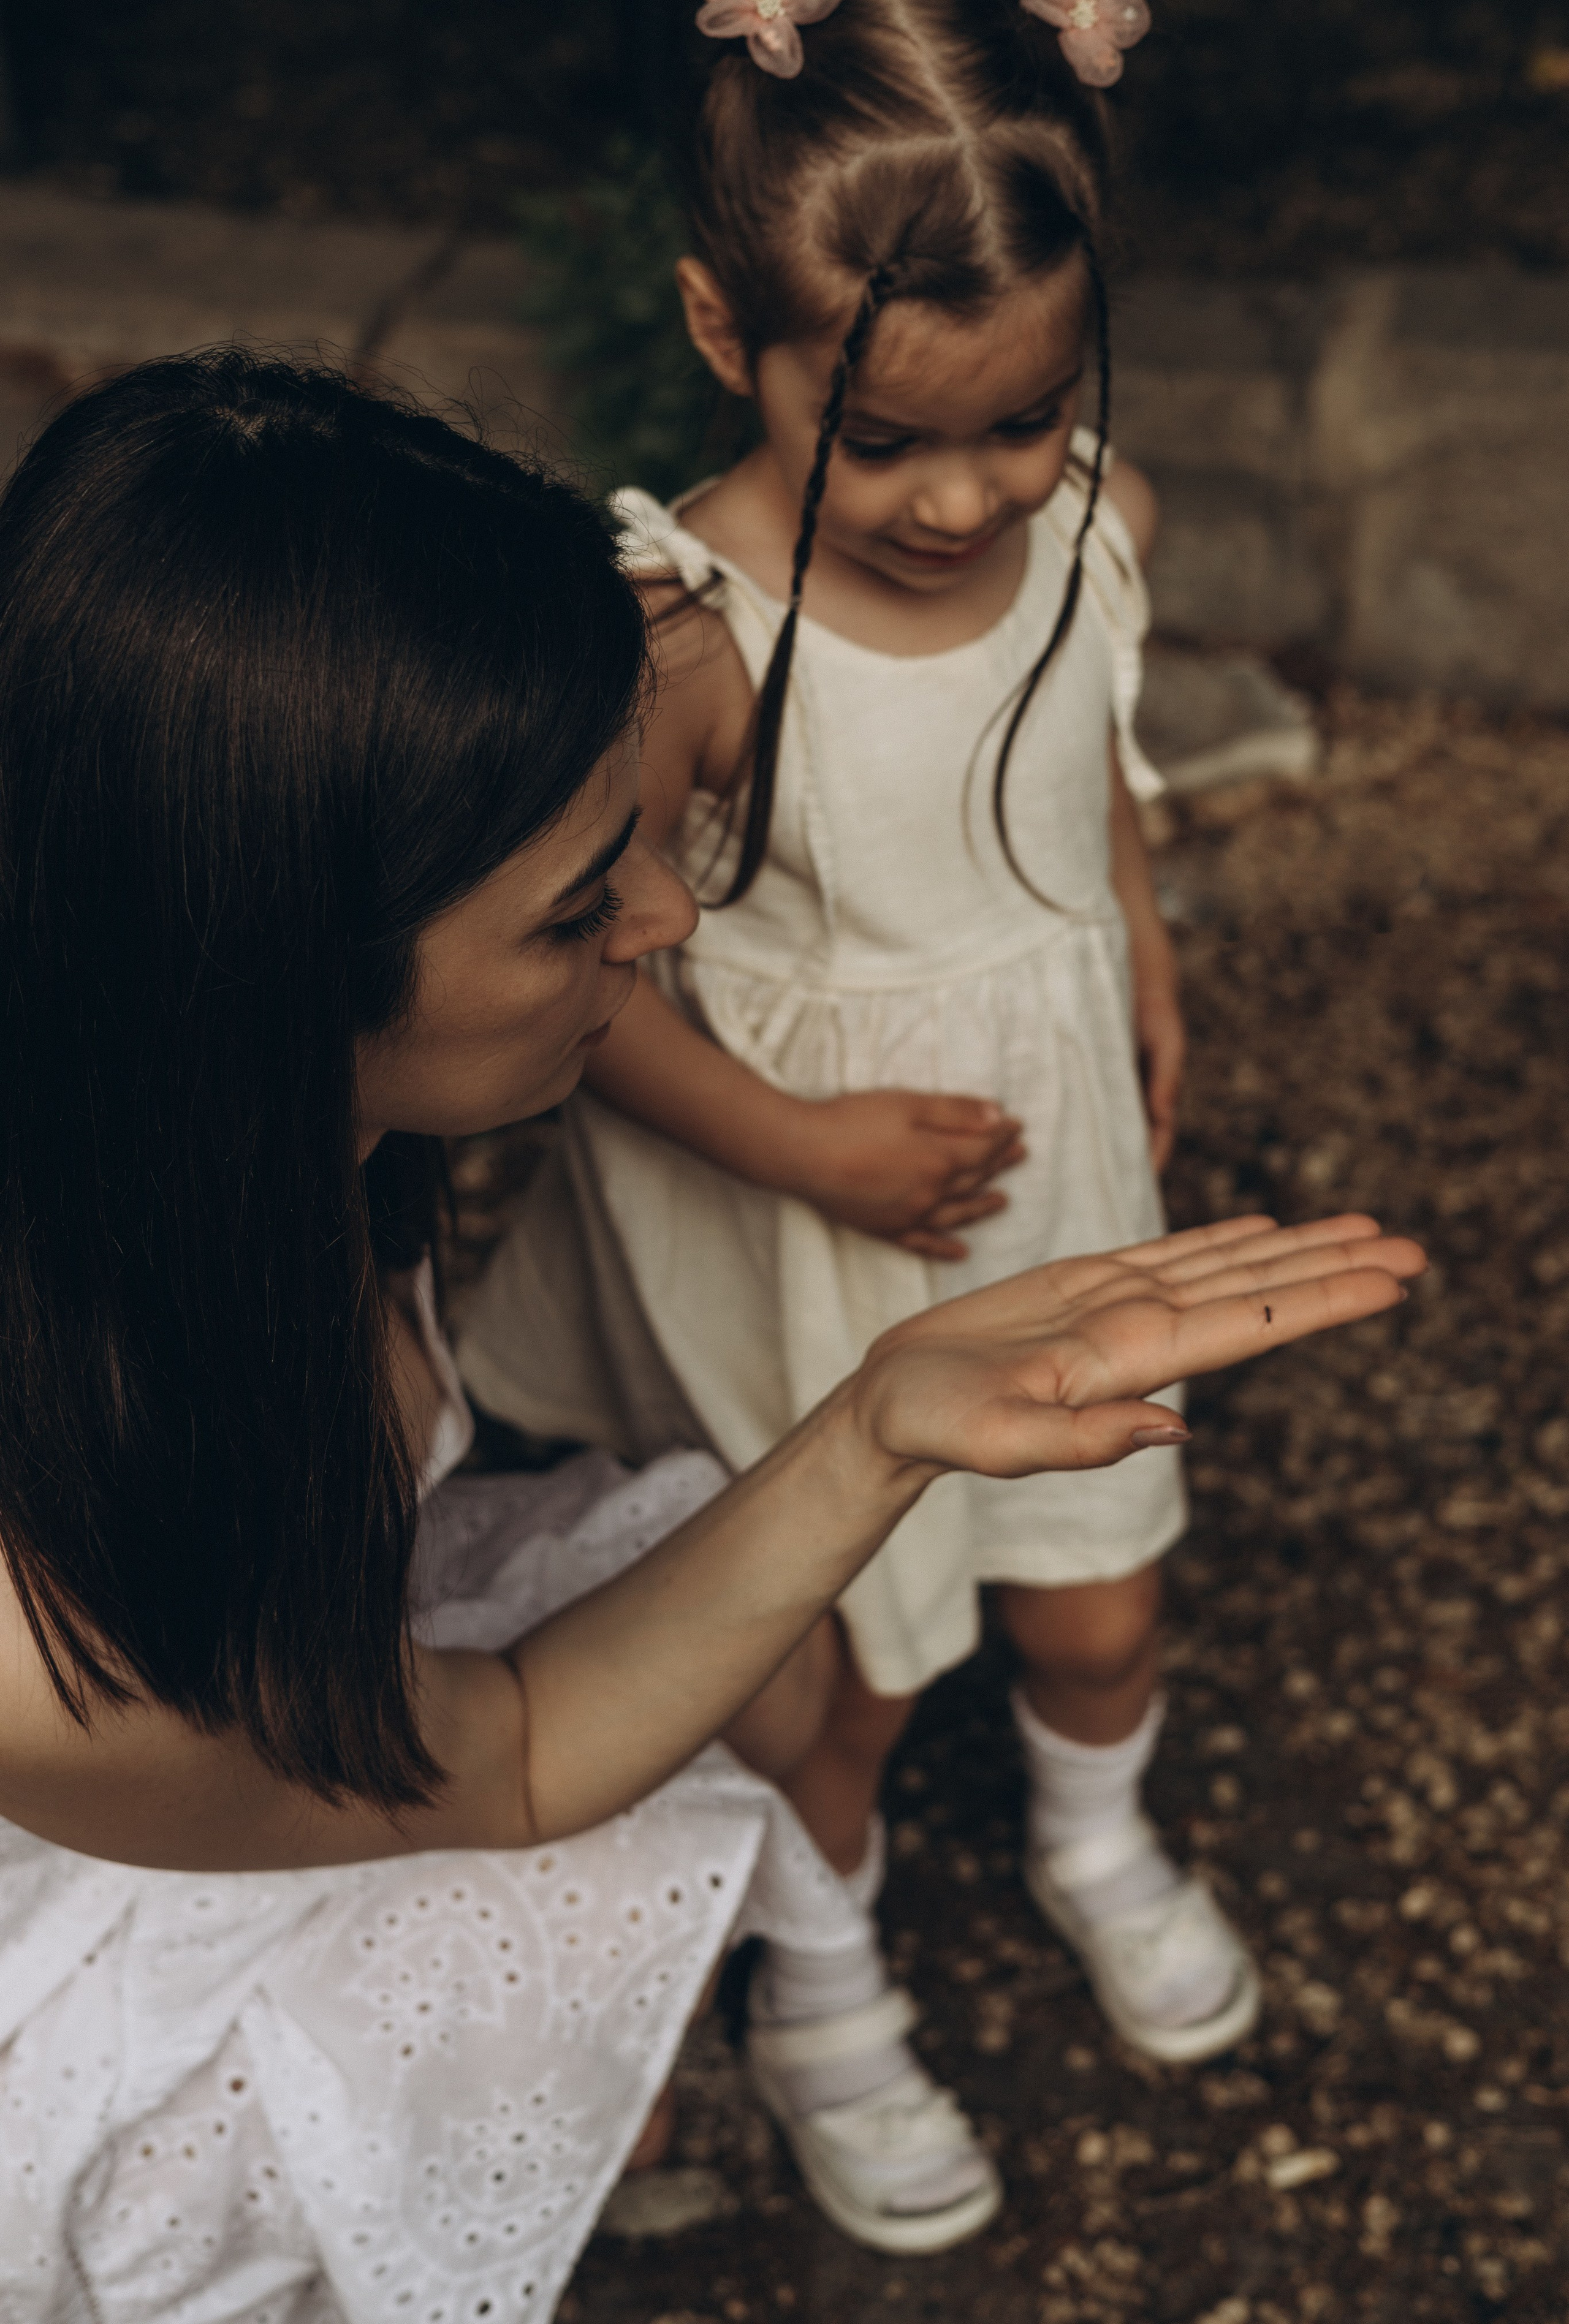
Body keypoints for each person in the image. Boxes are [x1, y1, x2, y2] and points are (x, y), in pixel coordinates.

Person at [0, 347, 1421, 2314]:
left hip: (296, 1689)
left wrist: (874, 1421)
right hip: (135, 1882)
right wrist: (868, 1440)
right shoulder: (57, 1639)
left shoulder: (190, 1111)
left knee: (735, 1653)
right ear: (277, 969)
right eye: (584, 908)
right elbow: (498, 1765)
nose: (670, 925)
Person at [455, 0, 1267, 2193]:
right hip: (805, 1200)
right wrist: (802, 1141)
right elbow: (581, 990)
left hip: (1043, 1143)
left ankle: (1098, 1839)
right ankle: (827, 1986)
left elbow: (1090, 759)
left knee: (1098, 1578)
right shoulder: (688, 636)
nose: (962, 497)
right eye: (885, 439)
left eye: (1022, 422)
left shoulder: (1094, 524)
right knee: (843, 1656)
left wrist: (1138, 951)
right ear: (732, 335)